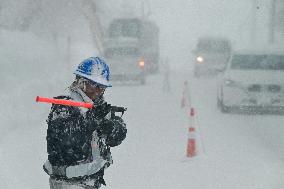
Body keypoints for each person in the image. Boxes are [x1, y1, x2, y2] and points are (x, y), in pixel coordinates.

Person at [43, 56, 127, 189]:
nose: (98, 91)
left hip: (90, 182)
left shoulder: (98, 106)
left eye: (102, 86)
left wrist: (111, 127)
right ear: (81, 82)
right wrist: (92, 121)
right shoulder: (65, 106)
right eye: (94, 84)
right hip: (68, 183)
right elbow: (67, 139)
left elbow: (118, 135)